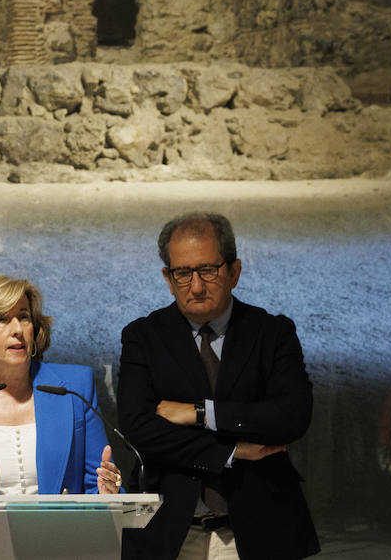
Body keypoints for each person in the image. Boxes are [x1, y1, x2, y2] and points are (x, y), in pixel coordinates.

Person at [118, 213, 318, 560]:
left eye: (208, 270)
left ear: (234, 272)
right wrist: (231, 451)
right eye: (183, 273)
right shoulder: (143, 337)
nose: (196, 286)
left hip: (257, 533)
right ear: (168, 278)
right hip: (169, 535)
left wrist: (200, 413)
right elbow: (140, 428)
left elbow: (291, 416)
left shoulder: (272, 333)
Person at [0, 274, 121, 496]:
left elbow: (98, 483)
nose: (17, 329)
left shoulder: (74, 387)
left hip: (62, 529)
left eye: (24, 317)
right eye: (2, 319)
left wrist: (106, 493)